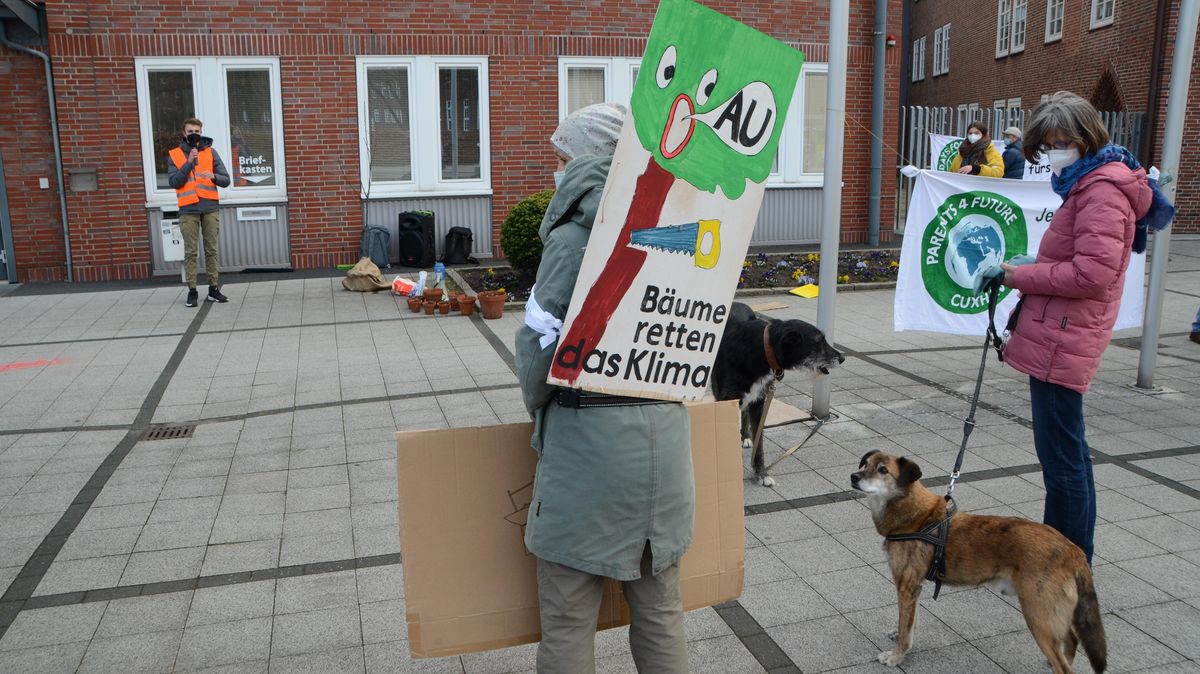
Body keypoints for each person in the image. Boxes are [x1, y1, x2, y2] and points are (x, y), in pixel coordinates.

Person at [514, 102, 693, 674]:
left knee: (568, 615)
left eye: (562, 157)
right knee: (661, 610)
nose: (556, 170)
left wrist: (537, 403)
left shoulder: (570, 238)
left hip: (588, 444)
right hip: (665, 439)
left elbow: (539, 347)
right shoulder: (677, 229)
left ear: (588, 158)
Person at [998, 91, 1156, 565]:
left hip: (1064, 339)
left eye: (1060, 142)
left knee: (1063, 461)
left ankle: (1065, 564)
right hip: (1060, 333)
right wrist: (1036, 263)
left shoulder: (1101, 190)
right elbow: (1080, 261)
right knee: (1067, 454)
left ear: (1087, 138)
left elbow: (1093, 275)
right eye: (1046, 145)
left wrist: (1020, 275)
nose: (1052, 153)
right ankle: (1065, 555)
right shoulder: (1088, 183)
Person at [167, 117, 231, 307]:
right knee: (190, 252)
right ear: (183, 133)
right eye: (190, 132)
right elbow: (174, 182)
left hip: (210, 207)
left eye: (197, 131)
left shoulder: (211, 153)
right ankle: (192, 291)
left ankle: (213, 289)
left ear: (201, 132)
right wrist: (188, 163)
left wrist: (214, 176)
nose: (194, 135)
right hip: (188, 210)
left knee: (211, 250)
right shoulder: (175, 155)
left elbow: (226, 179)